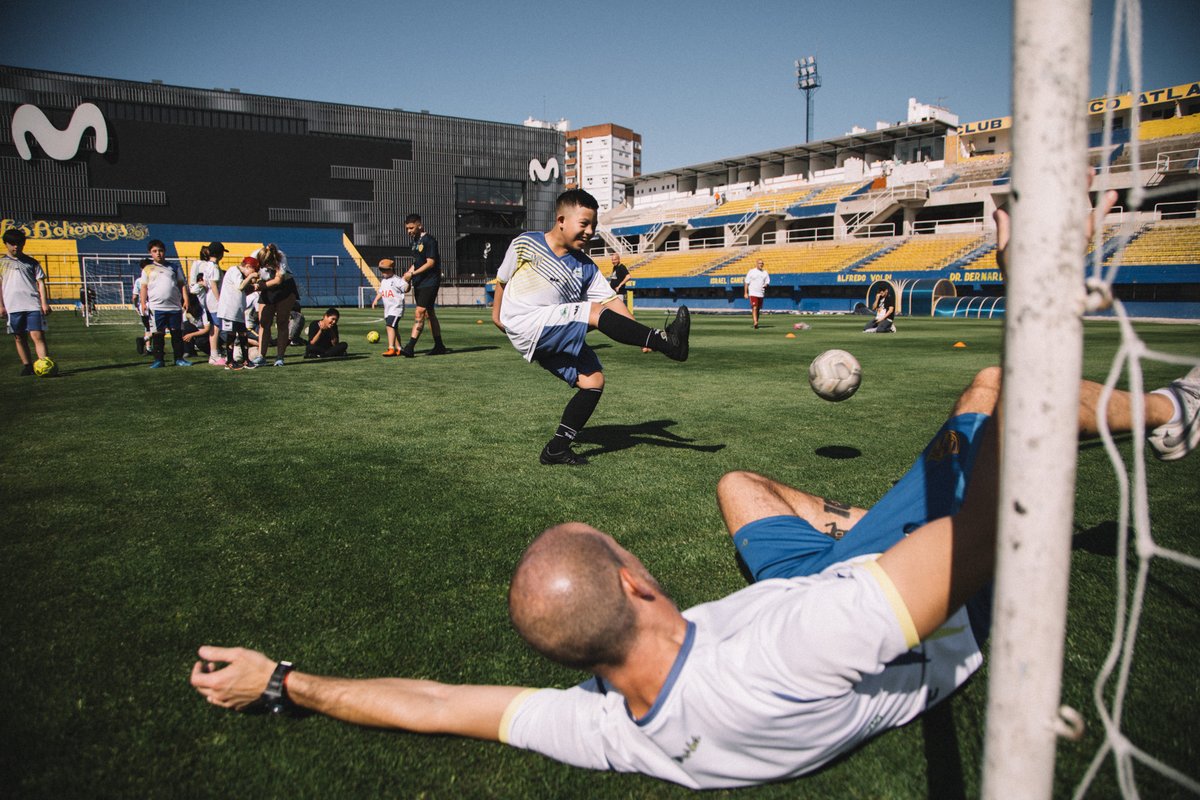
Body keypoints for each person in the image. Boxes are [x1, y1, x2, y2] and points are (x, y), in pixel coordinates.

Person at [189, 364, 1200, 789]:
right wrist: (1044, 292)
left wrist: (286, 681)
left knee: (736, 482)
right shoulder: (803, 645)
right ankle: (1172, 411)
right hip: (893, 601)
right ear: (636, 584)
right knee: (998, 391)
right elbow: (1001, 519)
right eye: (626, 548)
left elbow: (440, 702)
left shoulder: (607, 726)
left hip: (816, 574)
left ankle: (841, 515)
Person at [491, 189, 691, 466]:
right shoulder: (527, 243)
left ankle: (557, 449)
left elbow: (611, 301)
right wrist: (496, 315)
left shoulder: (586, 266)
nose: (590, 231)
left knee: (593, 381)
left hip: (552, 327)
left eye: (594, 225)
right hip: (526, 322)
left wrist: (640, 335)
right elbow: (502, 279)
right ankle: (668, 343)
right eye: (584, 223)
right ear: (561, 220)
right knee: (593, 312)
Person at [0, 227, 53, 376]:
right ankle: (28, 366)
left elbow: (40, 283)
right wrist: (1, 306)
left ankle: (45, 364)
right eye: (12, 243)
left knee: (37, 335)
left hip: (32, 304)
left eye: (19, 243)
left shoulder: (32, 262)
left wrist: (44, 303)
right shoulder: (1, 263)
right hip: (12, 306)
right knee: (19, 337)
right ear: (6, 244)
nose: (16, 246)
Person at [398, 214, 447, 357]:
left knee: (419, 312)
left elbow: (430, 262)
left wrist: (412, 274)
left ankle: (410, 347)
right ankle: (439, 346)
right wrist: (408, 273)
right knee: (429, 313)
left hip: (430, 281)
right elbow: (417, 262)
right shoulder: (414, 241)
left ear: (419, 225)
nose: (409, 231)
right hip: (419, 282)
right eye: (407, 228)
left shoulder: (429, 240)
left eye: (411, 228)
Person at [139, 239, 191, 368]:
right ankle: (159, 360)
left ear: (165, 252)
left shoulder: (174, 267)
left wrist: (186, 299)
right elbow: (144, 287)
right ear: (150, 253)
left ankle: (179, 359)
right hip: (157, 308)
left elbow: (182, 285)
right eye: (155, 251)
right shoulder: (147, 269)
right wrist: (143, 303)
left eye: (160, 251)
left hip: (174, 307)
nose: (158, 253)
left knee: (176, 333)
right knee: (158, 334)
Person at [252, 244, 299, 367]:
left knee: (282, 322)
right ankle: (261, 356)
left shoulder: (281, 256)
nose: (266, 267)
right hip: (266, 289)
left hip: (284, 289)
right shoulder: (254, 255)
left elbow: (279, 280)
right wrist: (254, 282)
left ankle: (280, 357)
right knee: (264, 323)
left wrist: (261, 286)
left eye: (267, 264)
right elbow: (250, 272)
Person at [217, 256, 260, 371]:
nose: (253, 273)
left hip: (238, 311)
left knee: (243, 335)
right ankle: (229, 361)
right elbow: (240, 286)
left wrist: (253, 286)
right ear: (248, 266)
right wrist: (251, 276)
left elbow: (243, 289)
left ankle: (246, 360)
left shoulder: (239, 274)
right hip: (229, 310)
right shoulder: (234, 270)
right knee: (231, 335)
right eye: (253, 270)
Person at [371, 259, 410, 356]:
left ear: (391, 269)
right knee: (394, 329)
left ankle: (391, 348)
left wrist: (408, 281)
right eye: (381, 270)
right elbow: (381, 291)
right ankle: (399, 349)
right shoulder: (384, 281)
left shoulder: (397, 280)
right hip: (388, 310)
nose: (383, 272)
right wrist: (376, 300)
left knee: (389, 326)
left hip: (396, 308)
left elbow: (406, 288)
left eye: (385, 270)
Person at [743, 259, 769, 329]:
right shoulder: (751, 271)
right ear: (756, 264)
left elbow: (767, 282)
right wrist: (745, 293)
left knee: (758, 309)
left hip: (761, 293)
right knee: (754, 307)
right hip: (753, 292)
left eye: (762, 263)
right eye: (760, 263)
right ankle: (755, 322)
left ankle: (756, 321)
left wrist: (766, 285)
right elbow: (746, 282)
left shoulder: (765, 272)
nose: (761, 264)